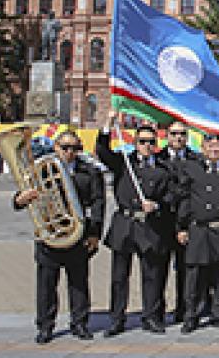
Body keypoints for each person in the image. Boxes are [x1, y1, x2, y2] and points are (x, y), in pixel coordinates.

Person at [15, 131, 104, 344]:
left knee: (79, 284)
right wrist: (20, 200)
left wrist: (94, 234)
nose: (69, 153)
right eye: (64, 147)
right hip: (49, 238)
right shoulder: (39, 171)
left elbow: (98, 204)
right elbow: (19, 200)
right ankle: (45, 326)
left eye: (74, 148)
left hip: (77, 236)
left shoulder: (90, 173)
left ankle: (80, 323)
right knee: (46, 286)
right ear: (55, 147)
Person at [96, 115, 175, 336]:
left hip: (150, 227)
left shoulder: (163, 169)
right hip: (125, 224)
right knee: (119, 277)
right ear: (135, 143)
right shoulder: (124, 162)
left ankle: (151, 317)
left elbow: (171, 196)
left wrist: (157, 205)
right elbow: (102, 152)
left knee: (151, 275)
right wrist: (107, 126)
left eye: (151, 142)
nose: (147, 146)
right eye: (142, 142)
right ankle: (117, 319)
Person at [175, 134, 219, 333]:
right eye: (211, 146)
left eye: (218, 146)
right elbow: (184, 199)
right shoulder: (192, 168)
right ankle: (191, 315)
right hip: (198, 229)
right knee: (194, 277)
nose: (215, 150)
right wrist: (181, 227)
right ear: (203, 148)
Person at [156, 120, 199, 324]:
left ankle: (185, 310)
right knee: (159, 270)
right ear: (166, 135)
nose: (178, 137)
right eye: (174, 134)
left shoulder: (195, 160)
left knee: (186, 270)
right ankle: (157, 312)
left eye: (182, 133)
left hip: (187, 224)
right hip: (162, 224)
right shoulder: (157, 159)